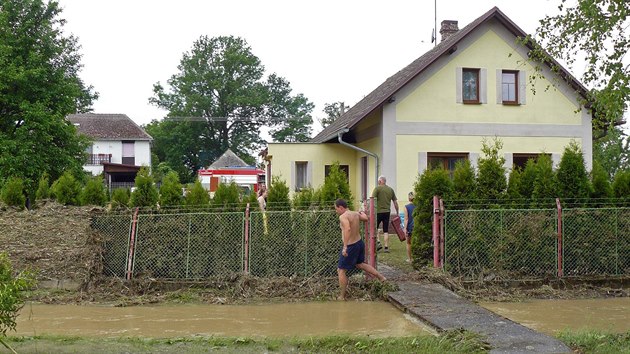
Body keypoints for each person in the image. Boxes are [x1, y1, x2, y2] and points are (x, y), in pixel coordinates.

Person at [334, 198, 386, 301]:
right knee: (360, 264)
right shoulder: (355, 214)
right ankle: (381, 278)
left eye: (336, 209)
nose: (336, 211)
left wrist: (345, 247)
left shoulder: (343, 217)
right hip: (359, 243)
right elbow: (366, 218)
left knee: (340, 270)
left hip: (350, 246)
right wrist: (361, 212)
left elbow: (347, 229)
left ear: (341, 207)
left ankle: (342, 296)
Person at [371, 176, 399, 253]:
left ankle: (378, 242)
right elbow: (395, 202)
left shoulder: (377, 189)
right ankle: (386, 247)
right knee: (386, 230)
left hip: (378, 212)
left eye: (378, 181)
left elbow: (372, 200)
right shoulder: (390, 190)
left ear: (380, 181)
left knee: (375, 228)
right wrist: (397, 212)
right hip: (387, 212)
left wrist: (370, 210)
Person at [403, 192, 415, 263]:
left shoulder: (406, 207)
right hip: (417, 226)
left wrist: (405, 228)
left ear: (409, 198)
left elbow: (406, 218)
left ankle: (410, 259)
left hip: (410, 226)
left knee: (408, 243)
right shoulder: (418, 206)